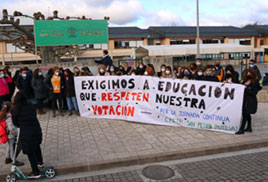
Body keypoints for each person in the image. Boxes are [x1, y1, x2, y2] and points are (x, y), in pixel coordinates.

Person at [12, 91, 44, 178]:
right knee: (37, 146)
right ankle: (40, 162)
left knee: (30, 152)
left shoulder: (15, 110)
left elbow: (15, 123)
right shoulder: (31, 105)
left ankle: (35, 172)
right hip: (36, 129)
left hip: (26, 133)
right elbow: (34, 114)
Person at [236, 70, 262, 134]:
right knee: (247, 114)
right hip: (244, 100)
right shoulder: (245, 81)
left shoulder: (255, 83)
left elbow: (253, 92)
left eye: (250, 74)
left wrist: (246, 89)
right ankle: (249, 127)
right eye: (247, 74)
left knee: (245, 114)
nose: (248, 75)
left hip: (250, 101)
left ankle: (241, 129)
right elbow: (240, 87)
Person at [1, 102, 24, 166]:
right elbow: (11, 128)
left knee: (9, 145)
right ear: (10, 108)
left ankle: (7, 158)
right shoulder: (8, 116)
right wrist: (17, 133)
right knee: (12, 146)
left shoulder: (3, 114)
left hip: (6, 133)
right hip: (10, 134)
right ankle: (13, 160)